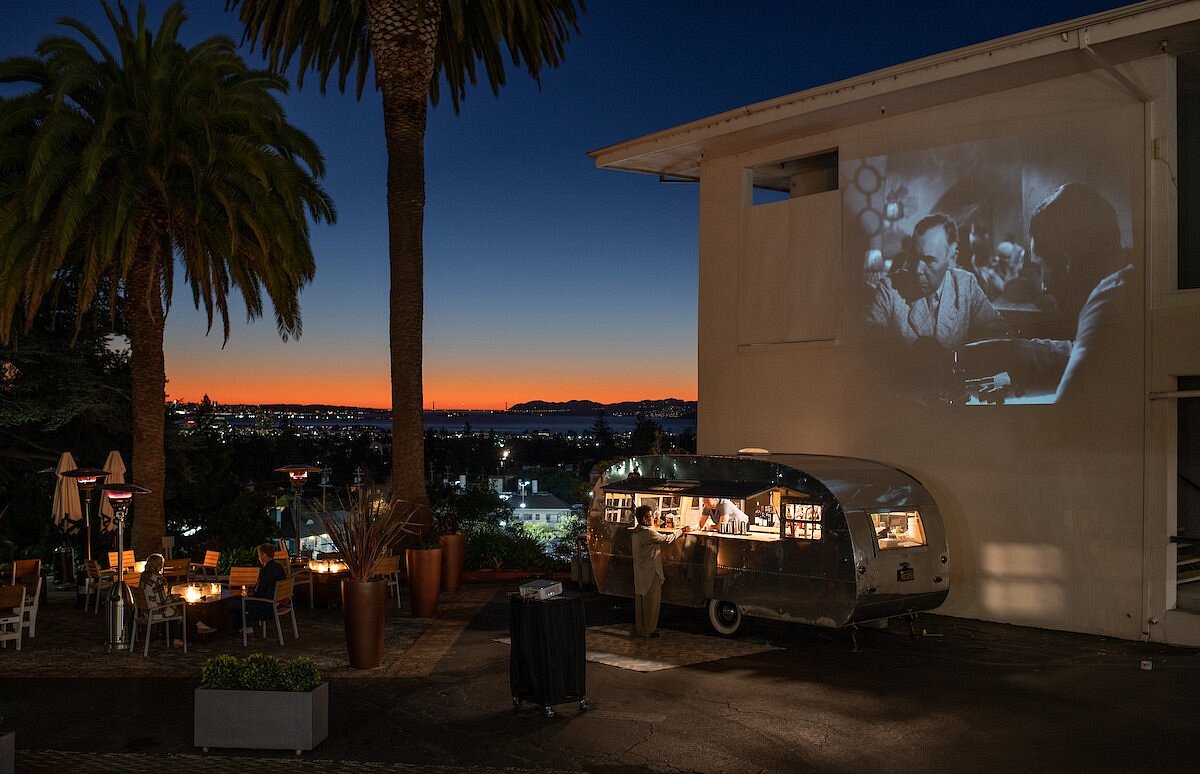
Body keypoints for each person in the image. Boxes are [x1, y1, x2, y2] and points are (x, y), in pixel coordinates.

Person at [957, 183, 1133, 402]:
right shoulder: (1128, 278)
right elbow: (1077, 351)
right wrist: (1004, 351)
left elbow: (1063, 418)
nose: (1044, 287)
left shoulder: (1108, 300)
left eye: (1042, 267)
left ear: (1066, 261)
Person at [866, 213, 1008, 350]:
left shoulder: (966, 285)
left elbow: (998, 335)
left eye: (930, 260)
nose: (917, 270)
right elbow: (869, 346)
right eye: (914, 258)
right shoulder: (889, 289)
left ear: (952, 259)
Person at [630, 505, 688, 638]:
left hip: (640, 571)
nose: (652, 518)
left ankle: (641, 629)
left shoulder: (637, 531)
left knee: (641, 602)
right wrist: (681, 531)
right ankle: (648, 630)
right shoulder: (648, 533)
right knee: (652, 601)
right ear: (644, 520)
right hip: (650, 571)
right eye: (650, 516)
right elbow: (666, 539)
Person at [140, 553, 214, 644]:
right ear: (159, 566)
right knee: (182, 604)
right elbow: (162, 602)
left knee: (181, 603)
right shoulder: (158, 579)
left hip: (145, 612)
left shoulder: (144, 577)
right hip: (155, 612)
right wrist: (173, 597)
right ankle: (185, 633)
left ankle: (195, 627)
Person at [225, 543, 287, 633]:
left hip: (266, 607)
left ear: (264, 555)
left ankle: (243, 629)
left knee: (230, 606)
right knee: (239, 601)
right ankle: (245, 627)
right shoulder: (279, 568)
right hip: (277, 603)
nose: (258, 558)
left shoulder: (265, 571)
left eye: (259, 555)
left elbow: (259, 594)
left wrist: (249, 595)